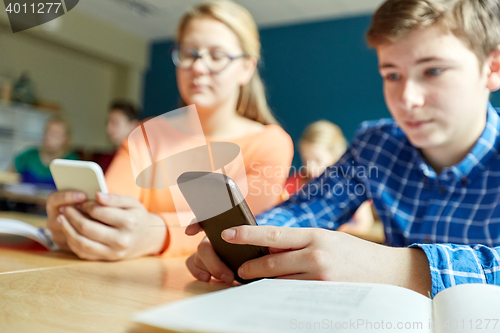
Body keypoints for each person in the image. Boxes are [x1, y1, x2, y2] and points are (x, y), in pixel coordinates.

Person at [186, 0, 500, 298]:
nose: (408, 99)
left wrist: (398, 267)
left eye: (433, 71)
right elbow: (308, 209)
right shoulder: (377, 144)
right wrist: (251, 241)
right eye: (392, 75)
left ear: (493, 67)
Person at [45, 0, 293, 261]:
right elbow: (113, 207)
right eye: (189, 53)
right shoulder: (146, 135)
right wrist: (79, 224)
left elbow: (238, 226)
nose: (197, 67)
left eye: (217, 56)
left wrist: (156, 234)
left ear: (246, 68)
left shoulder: (271, 142)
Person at [284, 120, 375, 234]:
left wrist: (328, 230)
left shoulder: (350, 185)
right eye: (306, 159)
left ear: (336, 156)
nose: (310, 167)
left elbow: (363, 225)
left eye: (317, 160)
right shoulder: (297, 181)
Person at [14, 117, 78, 188]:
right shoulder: (29, 155)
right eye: (47, 131)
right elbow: (9, 178)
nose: (49, 136)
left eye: (55, 133)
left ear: (66, 138)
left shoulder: (72, 162)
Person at [95, 100, 140, 174]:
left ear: (133, 125)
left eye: (114, 123)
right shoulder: (106, 158)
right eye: (107, 123)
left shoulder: (139, 159)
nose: (108, 128)